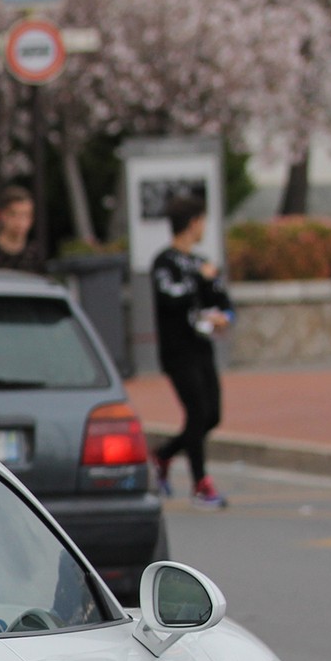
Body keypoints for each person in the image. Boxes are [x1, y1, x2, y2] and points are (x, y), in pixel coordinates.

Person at [151, 194, 234, 509]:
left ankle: (164, 454)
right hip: (177, 351)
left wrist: (223, 317)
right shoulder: (165, 263)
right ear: (192, 223)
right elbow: (169, 297)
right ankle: (201, 483)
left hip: (202, 348)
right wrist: (198, 280)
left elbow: (222, 301)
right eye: (202, 221)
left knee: (212, 415)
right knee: (197, 412)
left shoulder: (202, 263)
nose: (203, 228)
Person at [0, 187, 47, 274]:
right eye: (14, 214)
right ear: (3, 215)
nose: (20, 221)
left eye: (25, 215)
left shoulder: (35, 255)